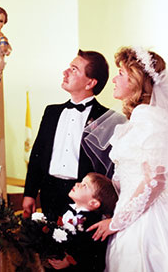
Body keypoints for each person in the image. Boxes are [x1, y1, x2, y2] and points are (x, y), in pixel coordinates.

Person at [85, 46, 168, 271]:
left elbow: (155, 181)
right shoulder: (139, 120)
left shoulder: (152, 120)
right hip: (130, 216)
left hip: (150, 223)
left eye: (121, 74)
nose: (114, 79)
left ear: (136, 81)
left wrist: (117, 222)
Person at [23, 49, 124, 221]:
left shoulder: (108, 120)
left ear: (90, 83)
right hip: (49, 193)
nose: (65, 72)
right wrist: (30, 193)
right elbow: (37, 154)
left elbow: (110, 170)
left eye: (74, 69)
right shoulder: (51, 112)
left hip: (84, 199)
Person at [47, 172, 118, 271]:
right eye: (81, 181)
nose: (77, 184)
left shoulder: (93, 224)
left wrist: (68, 260)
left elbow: (87, 251)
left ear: (93, 203)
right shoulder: (67, 208)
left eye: (84, 186)